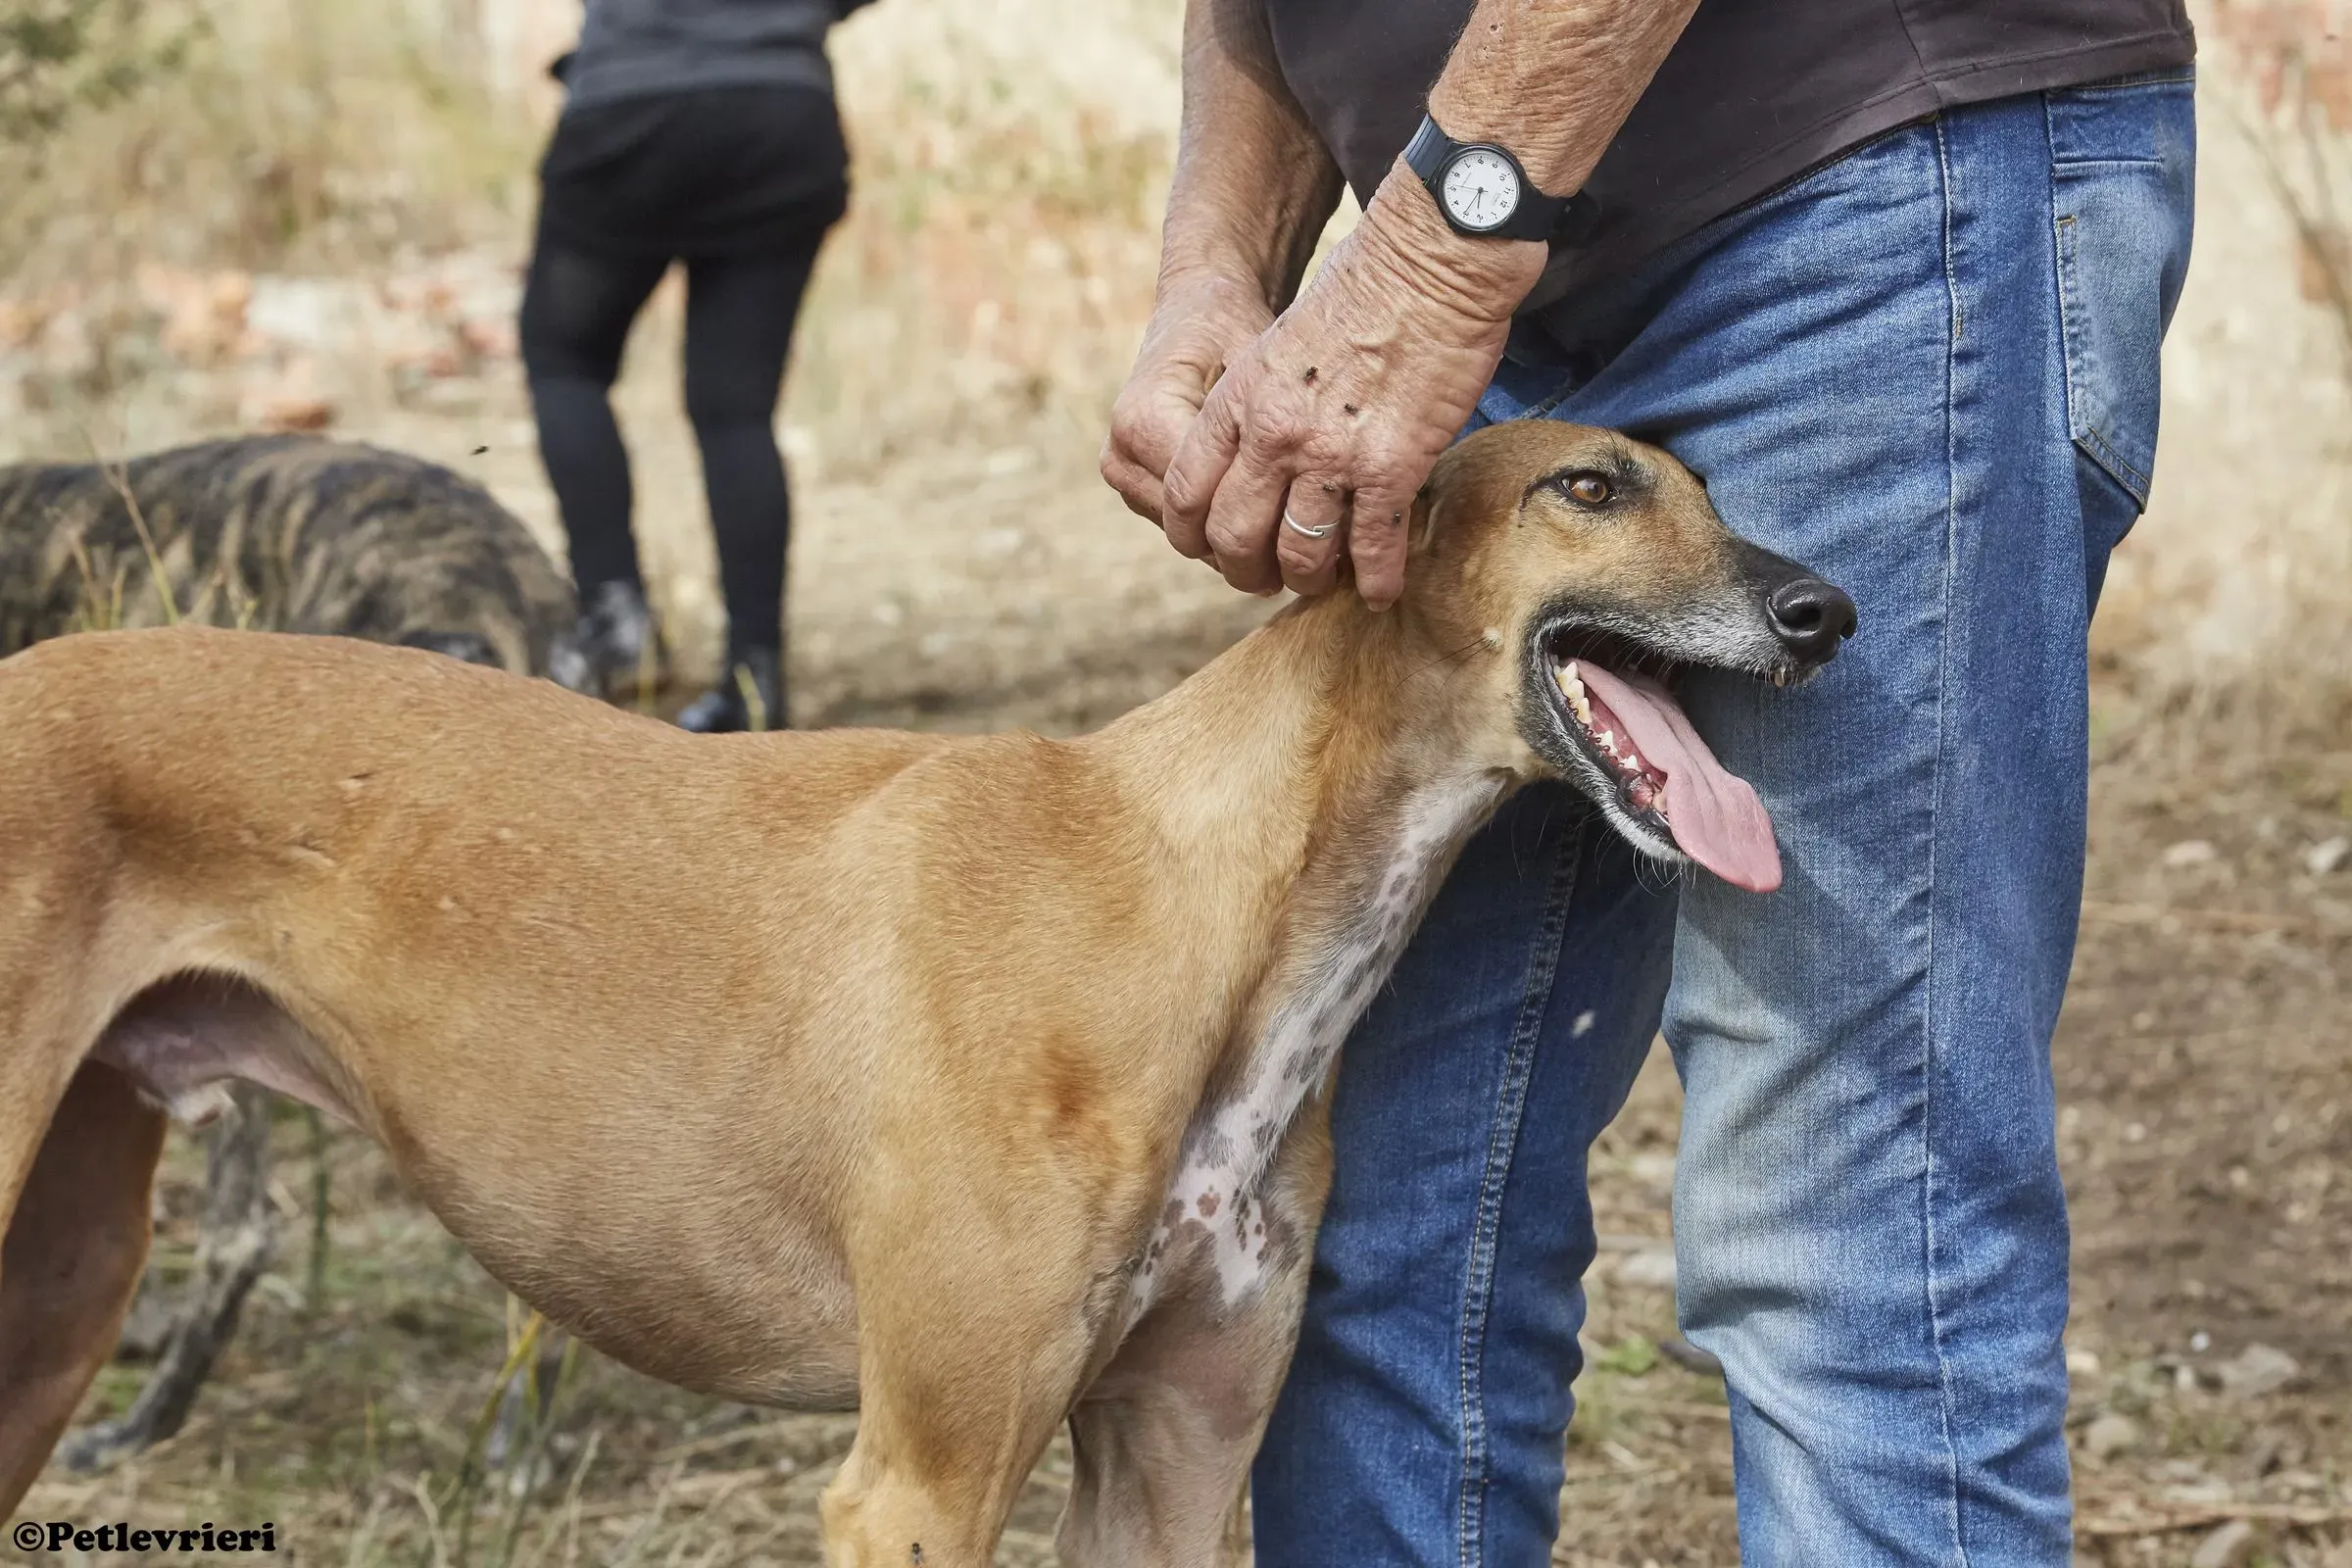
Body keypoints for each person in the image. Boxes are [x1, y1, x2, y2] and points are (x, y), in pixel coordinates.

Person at [1101, 0, 2196, 1561]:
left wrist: (1433, 243)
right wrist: (1218, 262)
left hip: (1860, 171)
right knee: (1372, 1212)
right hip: (1479, 255)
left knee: (1849, 1215)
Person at [520, 0, 873, 732]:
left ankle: (616, 618)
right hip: (778, 115)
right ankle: (756, 681)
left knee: (566, 363)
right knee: (736, 410)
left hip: (630, 114)